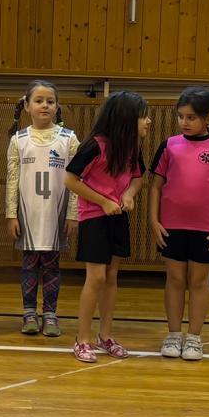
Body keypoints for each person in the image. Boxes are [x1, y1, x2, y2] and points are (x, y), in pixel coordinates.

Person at [148, 86, 209, 362]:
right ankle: (174, 334)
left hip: (206, 229)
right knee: (175, 279)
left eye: (191, 117)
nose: (184, 122)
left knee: (198, 281)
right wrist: (153, 220)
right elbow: (156, 185)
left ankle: (194, 338)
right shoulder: (169, 145)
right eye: (181, 117)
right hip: (172, 227)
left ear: (208, 118)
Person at [64, 91, 149, 364]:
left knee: (112, 276)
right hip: (94, 217)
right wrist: (103, 201)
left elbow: (137, 177)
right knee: (96, 278)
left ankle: (105, 336)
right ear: (126, 118)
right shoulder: (94, 146)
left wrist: (129, 195)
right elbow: (70, 179)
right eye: (143, 116)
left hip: (117, 216)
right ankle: (82, 339)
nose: (148, 121)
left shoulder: (133, 147)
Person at [6, 79, 78, 337]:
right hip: (28, 215)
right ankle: (29, 313)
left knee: (52, 267)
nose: (45, 105)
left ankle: (50, 314)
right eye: (39, 101)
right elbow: (12, 179)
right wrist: (11, 214)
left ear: (57, 106)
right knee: (29, 266)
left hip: (54, 216)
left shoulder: (69, 139)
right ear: (27, 105)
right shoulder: (18, 140)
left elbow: (77, 180)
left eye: (50, 101)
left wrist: (73, 214)